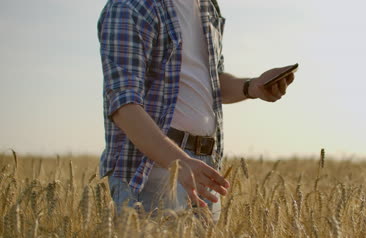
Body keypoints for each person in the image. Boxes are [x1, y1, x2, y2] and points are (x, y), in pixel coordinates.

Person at [97, 0, 296, 221]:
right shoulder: (131, 6)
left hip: (204, 164)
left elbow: (211, 81)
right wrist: (179, 162)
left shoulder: (207, 6)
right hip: (154, 168)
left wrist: (251, 87)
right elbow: (124, 106)